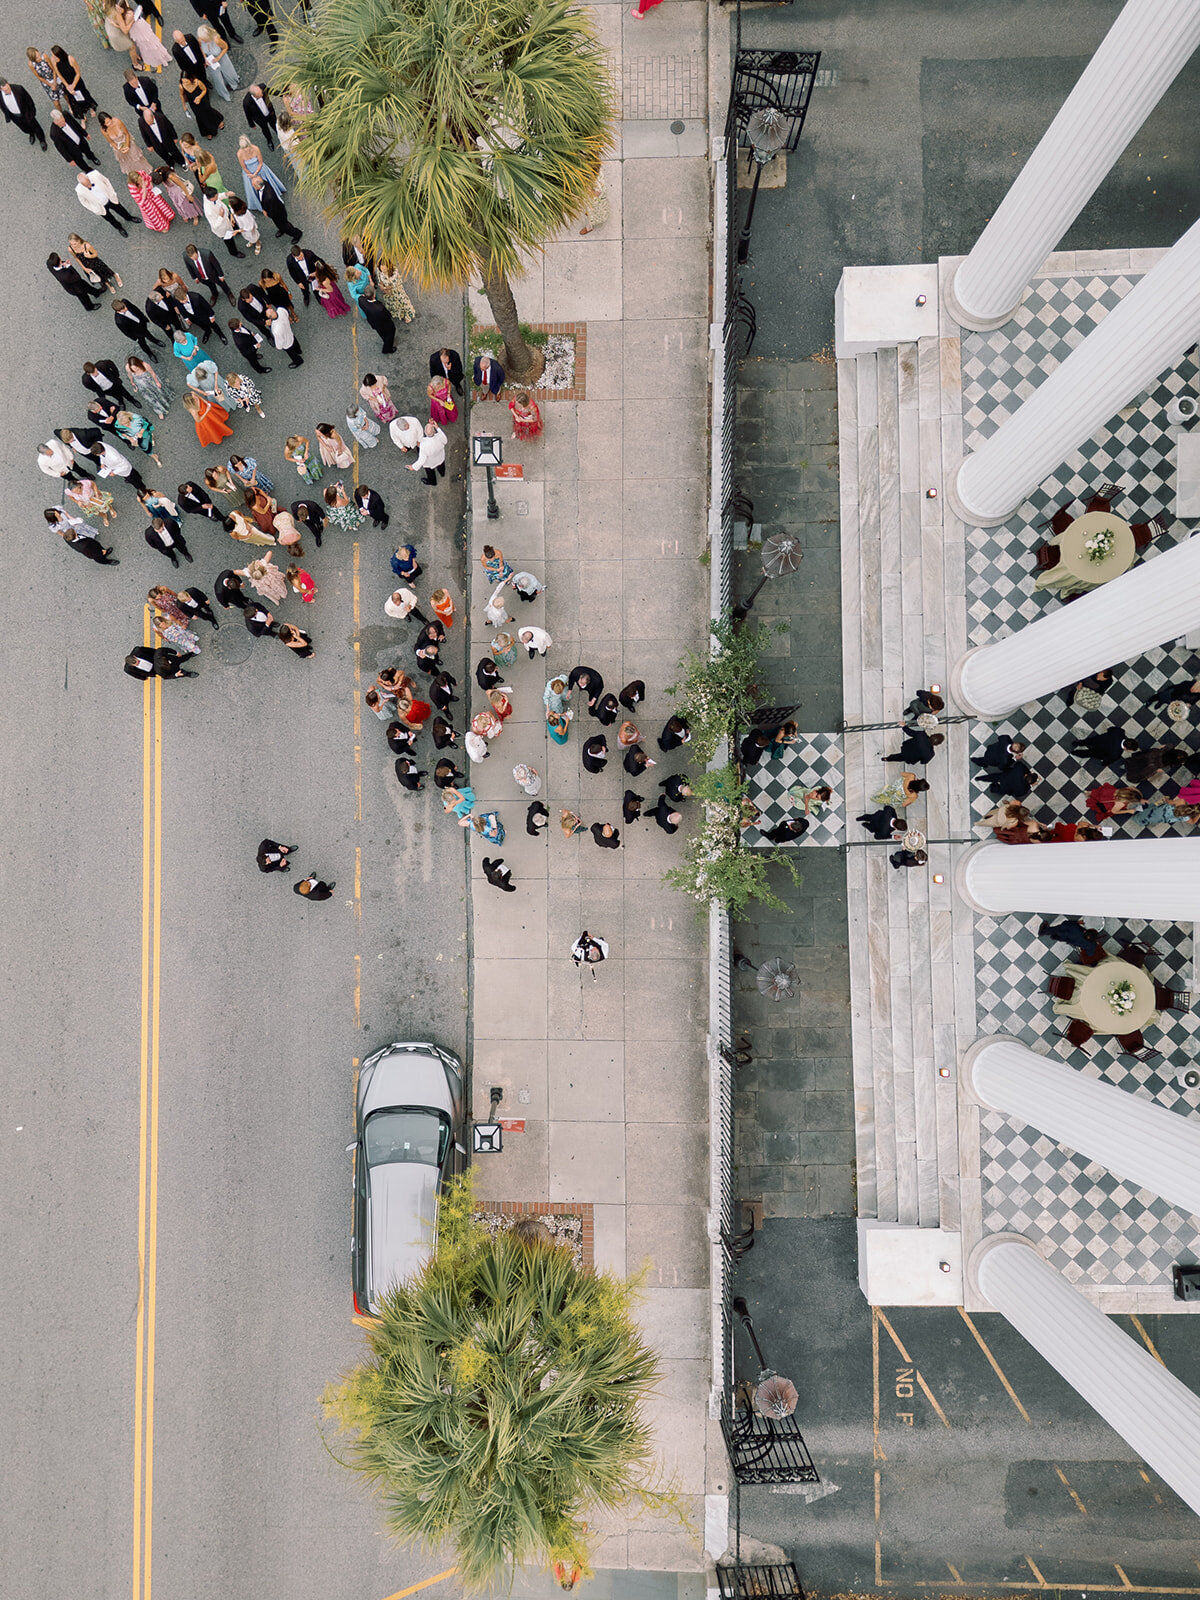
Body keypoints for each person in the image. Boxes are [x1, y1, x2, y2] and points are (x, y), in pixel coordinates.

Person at [46, 507, 118, 564]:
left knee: (95, 543)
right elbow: (90, 554)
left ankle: (104, 551)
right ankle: (106, 561)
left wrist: (73, 520)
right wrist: (100, 553)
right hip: (90, 549)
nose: (58, 513)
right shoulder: (82, 546)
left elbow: (66, 514)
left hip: (75, 533)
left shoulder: (57, 510)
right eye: (57, 515)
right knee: (98, 556)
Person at [76, 169, 135, 235]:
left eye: (89, 183)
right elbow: (83, 202)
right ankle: (119, 227)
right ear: (81, 184)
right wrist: (94, 209)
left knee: (120, 209)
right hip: (100, 207)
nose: (89, 186)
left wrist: (112, 192)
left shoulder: (95, 174)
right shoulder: (79, 190)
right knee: (110, 219)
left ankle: (129, 218)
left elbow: (106, 181)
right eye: (86, 186)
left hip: (109, 198)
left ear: (88, 177)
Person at [1, 78, 46, 148]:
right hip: (15, 116)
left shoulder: (19, 89)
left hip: (26, 113)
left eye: (8, 87)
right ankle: (31, 133)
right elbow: (2, 106)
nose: (8, 90)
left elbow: (29, 101)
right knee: (24, 128)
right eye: (6, 90)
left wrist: (32, 113)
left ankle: (42, 139)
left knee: (36, 127)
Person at [180, 69, 224, 140]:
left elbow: (204, 90)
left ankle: (218, 121)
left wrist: (199, 97)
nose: (184, 83)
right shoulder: (181, 86)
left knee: (208, 111)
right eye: (182, 81)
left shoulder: (197, 82)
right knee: (200, 116)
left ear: (190, 79)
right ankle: (207, 131)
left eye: (186, 81)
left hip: (202, 100)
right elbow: (181, 95)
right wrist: (184, 106)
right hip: (193, 104)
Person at [1038, 920, 1106, 962]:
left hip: (1065, 931)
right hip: (1069, 940)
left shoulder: (1075, 928)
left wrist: (1076, 922)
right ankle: (1054, 937)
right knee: (1060, 937)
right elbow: (1090, 954)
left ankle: (1044, 931)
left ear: (1085, 931)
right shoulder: (1092, 945)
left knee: (1057, 930)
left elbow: (1065, 923)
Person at [359, 288, 397, 354]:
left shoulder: (361, 300)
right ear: (374, 296)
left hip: (374, 323)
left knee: (382, 334)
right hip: (384, 324)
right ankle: (387, 349)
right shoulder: (380, 308)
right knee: (390, 334)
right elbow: (388, 315)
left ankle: (385, 340)